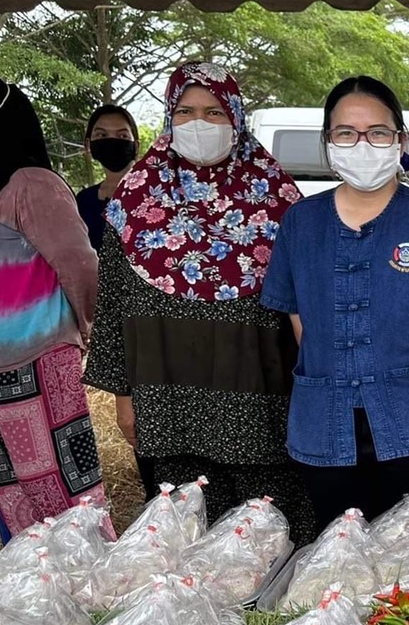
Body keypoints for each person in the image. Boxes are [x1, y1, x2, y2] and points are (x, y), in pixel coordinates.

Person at [84, 61, 316, 541]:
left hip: (257, 402)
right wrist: (123, 398)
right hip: (166, 399)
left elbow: (305, 309)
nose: (199, 124)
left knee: (265, 535)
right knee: (183, 535)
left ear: (236, 118)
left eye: (213, 112)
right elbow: (112, 306)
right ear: (168, 118)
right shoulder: (132, 200)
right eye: (186, 111)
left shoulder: (279, 200)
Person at [261, 76, 409, 528]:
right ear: (328, 142)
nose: (362, 144)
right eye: (346, 134)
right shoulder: (301, 223)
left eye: (378, 132)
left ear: (400, 140)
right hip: (325, 426)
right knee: (339, 553)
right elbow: (299, 317)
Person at [0, 70, 105, 534]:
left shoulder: (31, 183)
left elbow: (79, 264)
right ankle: (35, 584)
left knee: (64, 491)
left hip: (37, 363)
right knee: (12, 490)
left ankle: (90, 589)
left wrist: (84, 333)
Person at [75, 105, 140, 250]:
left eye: (122, 136)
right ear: (88, 145)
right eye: (102, 135)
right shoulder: (84, 201)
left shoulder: (158, 193)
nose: (112, 142)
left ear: (136, 145)